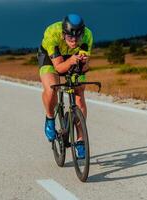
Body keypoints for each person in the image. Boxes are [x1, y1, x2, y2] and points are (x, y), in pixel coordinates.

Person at [38, 14, 93, 159]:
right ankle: (50, 118)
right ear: (64, 34)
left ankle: (80, 140)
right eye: (70, 38)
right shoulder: (52, 33)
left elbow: (85, 68)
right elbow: (59, 68)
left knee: (79, 93)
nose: (74, 41)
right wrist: (71, 62)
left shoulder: (88, 35)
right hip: (50, 60)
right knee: (51, 89)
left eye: (77, 38)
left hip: (73, 58)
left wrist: (83, 63)